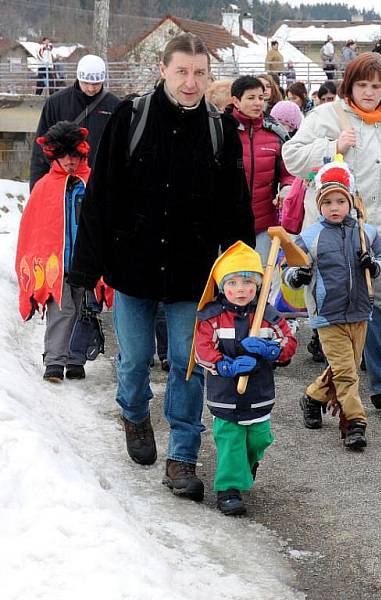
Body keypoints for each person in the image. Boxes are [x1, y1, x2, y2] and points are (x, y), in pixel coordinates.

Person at [68, 33, 254, 501]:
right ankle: (133, 412)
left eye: (200, 73)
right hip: (133, 268)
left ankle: (183, 455)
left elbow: (235, 208)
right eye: (182, 72)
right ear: (162, 69)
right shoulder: (131, 118)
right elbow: (101, 198)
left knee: (188, 365)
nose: (191, 82)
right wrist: (85, 269)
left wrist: (243, 272)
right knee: (133, 360)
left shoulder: (220, 129)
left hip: (193, 272)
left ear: (209, 75)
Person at [283, 52, 381, 410]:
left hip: (379, 236)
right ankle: (329, 388)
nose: (369, 93)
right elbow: (292, 156)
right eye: (362, 85)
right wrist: (332, 148)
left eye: (377, 86)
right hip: (332, 238)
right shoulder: (325, 116)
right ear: (349, 85)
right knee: (341, 313)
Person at [285, 157, 381, 449]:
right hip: (328, 314)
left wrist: (374, 266)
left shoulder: (365, 233)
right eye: (328, 202)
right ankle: (355, 422)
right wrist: (298, 274)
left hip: (360, 310)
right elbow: (289, 267)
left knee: (346, 367)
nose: (334, 207)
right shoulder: (311, 236)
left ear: (351, 202)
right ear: (319, 205)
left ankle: (313, 396)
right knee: (346, 372)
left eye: (340, 201)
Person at [191, 241, 297, 515]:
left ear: (258, 286)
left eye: (248, 282)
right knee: (231, 441)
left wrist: (271, 350)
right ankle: (228, 489)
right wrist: (225, 366)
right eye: (234, 282)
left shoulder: (268, 316)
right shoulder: (213, 318)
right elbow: (202, 350)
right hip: (226, 396)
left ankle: (245, 465)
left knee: (259, 438)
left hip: (259, 394)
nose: (241, 289)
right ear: (222, 286)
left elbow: (288, 344)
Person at [16, 122, 93, 382]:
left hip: (86, 262)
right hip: (55, 266)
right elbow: (33, 229)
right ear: (54, 155)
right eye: (64, 156)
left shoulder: (91, 182)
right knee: (62, 310)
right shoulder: (45, 187)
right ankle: (54, 361)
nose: (70, 161)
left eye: (75, 155)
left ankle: (75, 359)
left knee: (84, 310)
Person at [30, 54, 120, 190]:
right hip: (62, 184)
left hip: (99, 184)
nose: (91, 88)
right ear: (78, 78)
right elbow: (41, 150)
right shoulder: (56, 103)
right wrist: (36, 189)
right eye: (86, 83)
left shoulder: (115, 106)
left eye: (96, 83)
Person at [231, 75, 294, 262]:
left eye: (261, 98)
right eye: (251, 98)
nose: (258, 103)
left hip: (264, 224)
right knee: (230, 284)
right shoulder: (223, 130)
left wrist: (286, 188)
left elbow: (288, 171)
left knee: (261, 282)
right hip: (228, 225)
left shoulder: (275, 133)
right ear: (235, 100)